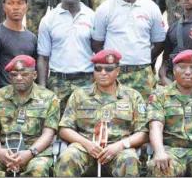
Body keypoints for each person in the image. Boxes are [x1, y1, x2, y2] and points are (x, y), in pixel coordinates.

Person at [54, 49, 148, 177]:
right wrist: (87, 144)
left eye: (109, 69)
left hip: (118, 149)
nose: (103, 73)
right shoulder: (80, 95)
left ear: (117, 71)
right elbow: (64, 129)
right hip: (85, 147)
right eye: (98, 68)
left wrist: (119, 146)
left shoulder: (132, 96)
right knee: (67, 157)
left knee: (130, 159)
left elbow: (143, 132)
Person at [0, 55, 59, 177]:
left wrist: (30, 153)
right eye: (14, 74)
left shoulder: (49, 98)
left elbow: (48, 133)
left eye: (24, 74)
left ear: (34, 75)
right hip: (4, 149)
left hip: (35, 151)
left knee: (38, 169)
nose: (19, 78)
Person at [92, 0, 165, 99]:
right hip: (114, 72)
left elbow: (159, 43)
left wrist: (143, 59)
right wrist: (110, 63)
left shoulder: (151, 7)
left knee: (145, 114)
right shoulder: (105, 8)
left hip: (142, 74)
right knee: (113, 115)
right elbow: (97, 44)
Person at [37, 0, 95, 113]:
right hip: (58, 83)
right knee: (55, 128)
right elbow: (43, 58)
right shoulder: (48, 19)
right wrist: (43, 89)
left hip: (86, 82)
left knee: (85, 127)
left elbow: (99, 52)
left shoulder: (92, 17)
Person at [0, 0, 37, 95]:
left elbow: (34, 71)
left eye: (20, 3)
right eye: (11, 3)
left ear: (26, 7)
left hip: (28, 96)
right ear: (3, 7)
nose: (16, 7)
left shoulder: (32, 38)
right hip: (5, 96)